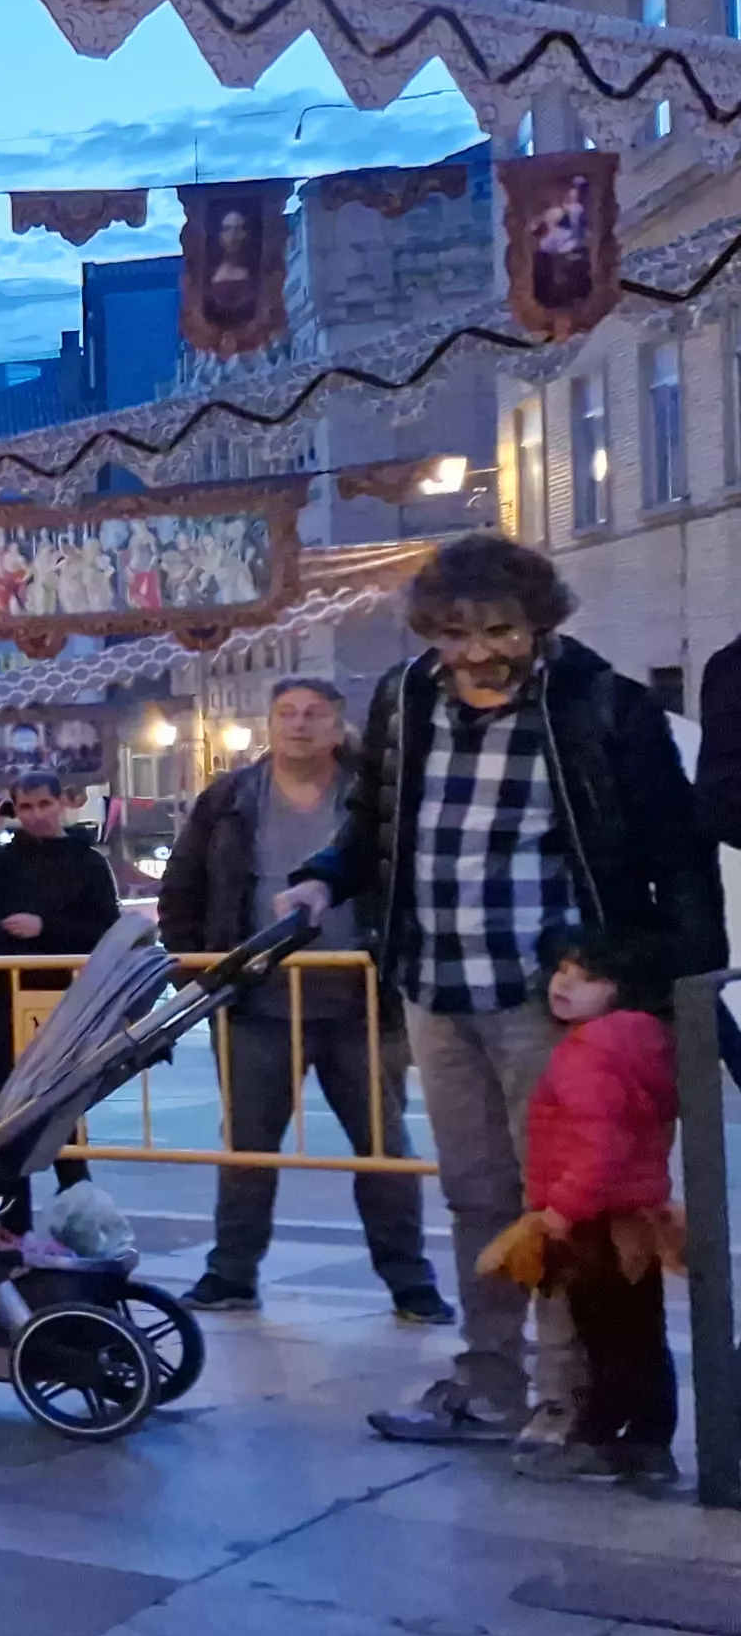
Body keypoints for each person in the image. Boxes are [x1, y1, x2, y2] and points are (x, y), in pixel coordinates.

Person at [285, 534, 719, 1450]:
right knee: (476, 1197)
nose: (477, 652)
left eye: (499, 630)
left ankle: (570, 1396)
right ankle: (490, 1384)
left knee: (563, 1202)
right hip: (434, 986)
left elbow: (677, 856)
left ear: (541, 622)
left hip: (547, 994)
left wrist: (654, 973)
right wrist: (323, 877)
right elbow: (373, 826)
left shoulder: (604, 705)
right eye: (453, 633)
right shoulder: (406, 697)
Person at [161, 677, 447, 1324]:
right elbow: (183, 889)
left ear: (339, 722)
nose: (299, 724)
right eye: (286, 711)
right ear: (268, 721)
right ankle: (230, 1272)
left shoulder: (376, 796)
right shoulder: (230, 798)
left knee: (384, 1151)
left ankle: (410, 1281)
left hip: (363, 1007)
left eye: (314, 713)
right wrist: (200, 976)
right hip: (257, 1008)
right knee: (246, 1149)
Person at [488, 927, 681, 1485]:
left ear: (620, 992)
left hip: (596, 1222)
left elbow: (601, 1146)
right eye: (562, 971)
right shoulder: (636, 1044)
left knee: (606, 1339)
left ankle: (597, 1438)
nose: (564, 983)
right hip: (633, 1218)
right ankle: (650, 1442)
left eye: (588, 977)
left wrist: (561, 1211)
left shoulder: (591, 1052)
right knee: (641, 1333)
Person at [0, 768, 118, 1113]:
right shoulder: (3, 858)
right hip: (3, 991)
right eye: (26, 807)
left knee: (60, 1086)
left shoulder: (87, 862)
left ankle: (70, 1163)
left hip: (61, 989)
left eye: (44, 804)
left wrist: (45, 926)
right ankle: (4, 1161)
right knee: (2, 1084)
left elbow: (105, 927)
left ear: (61, 804)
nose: (36, 815)